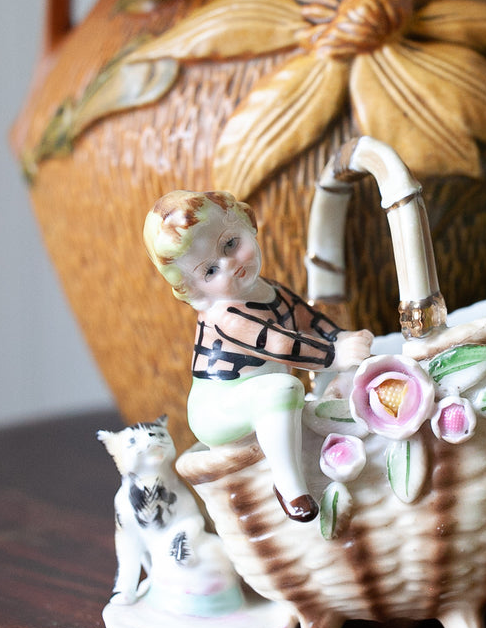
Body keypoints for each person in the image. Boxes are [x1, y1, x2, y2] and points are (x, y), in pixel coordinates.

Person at [144, 190, 373, 522]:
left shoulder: (269, 290)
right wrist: (334, 354)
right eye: (209, 271)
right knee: (282, 388)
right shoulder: (226, 317)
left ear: (248, 224)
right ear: (193, 290)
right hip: (217, 407)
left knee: (291, 388)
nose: (230, 264)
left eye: (230, 244)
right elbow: (280, 345)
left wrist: (339, 336)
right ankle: (290, 486)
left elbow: (306, 318)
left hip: (256, 395)